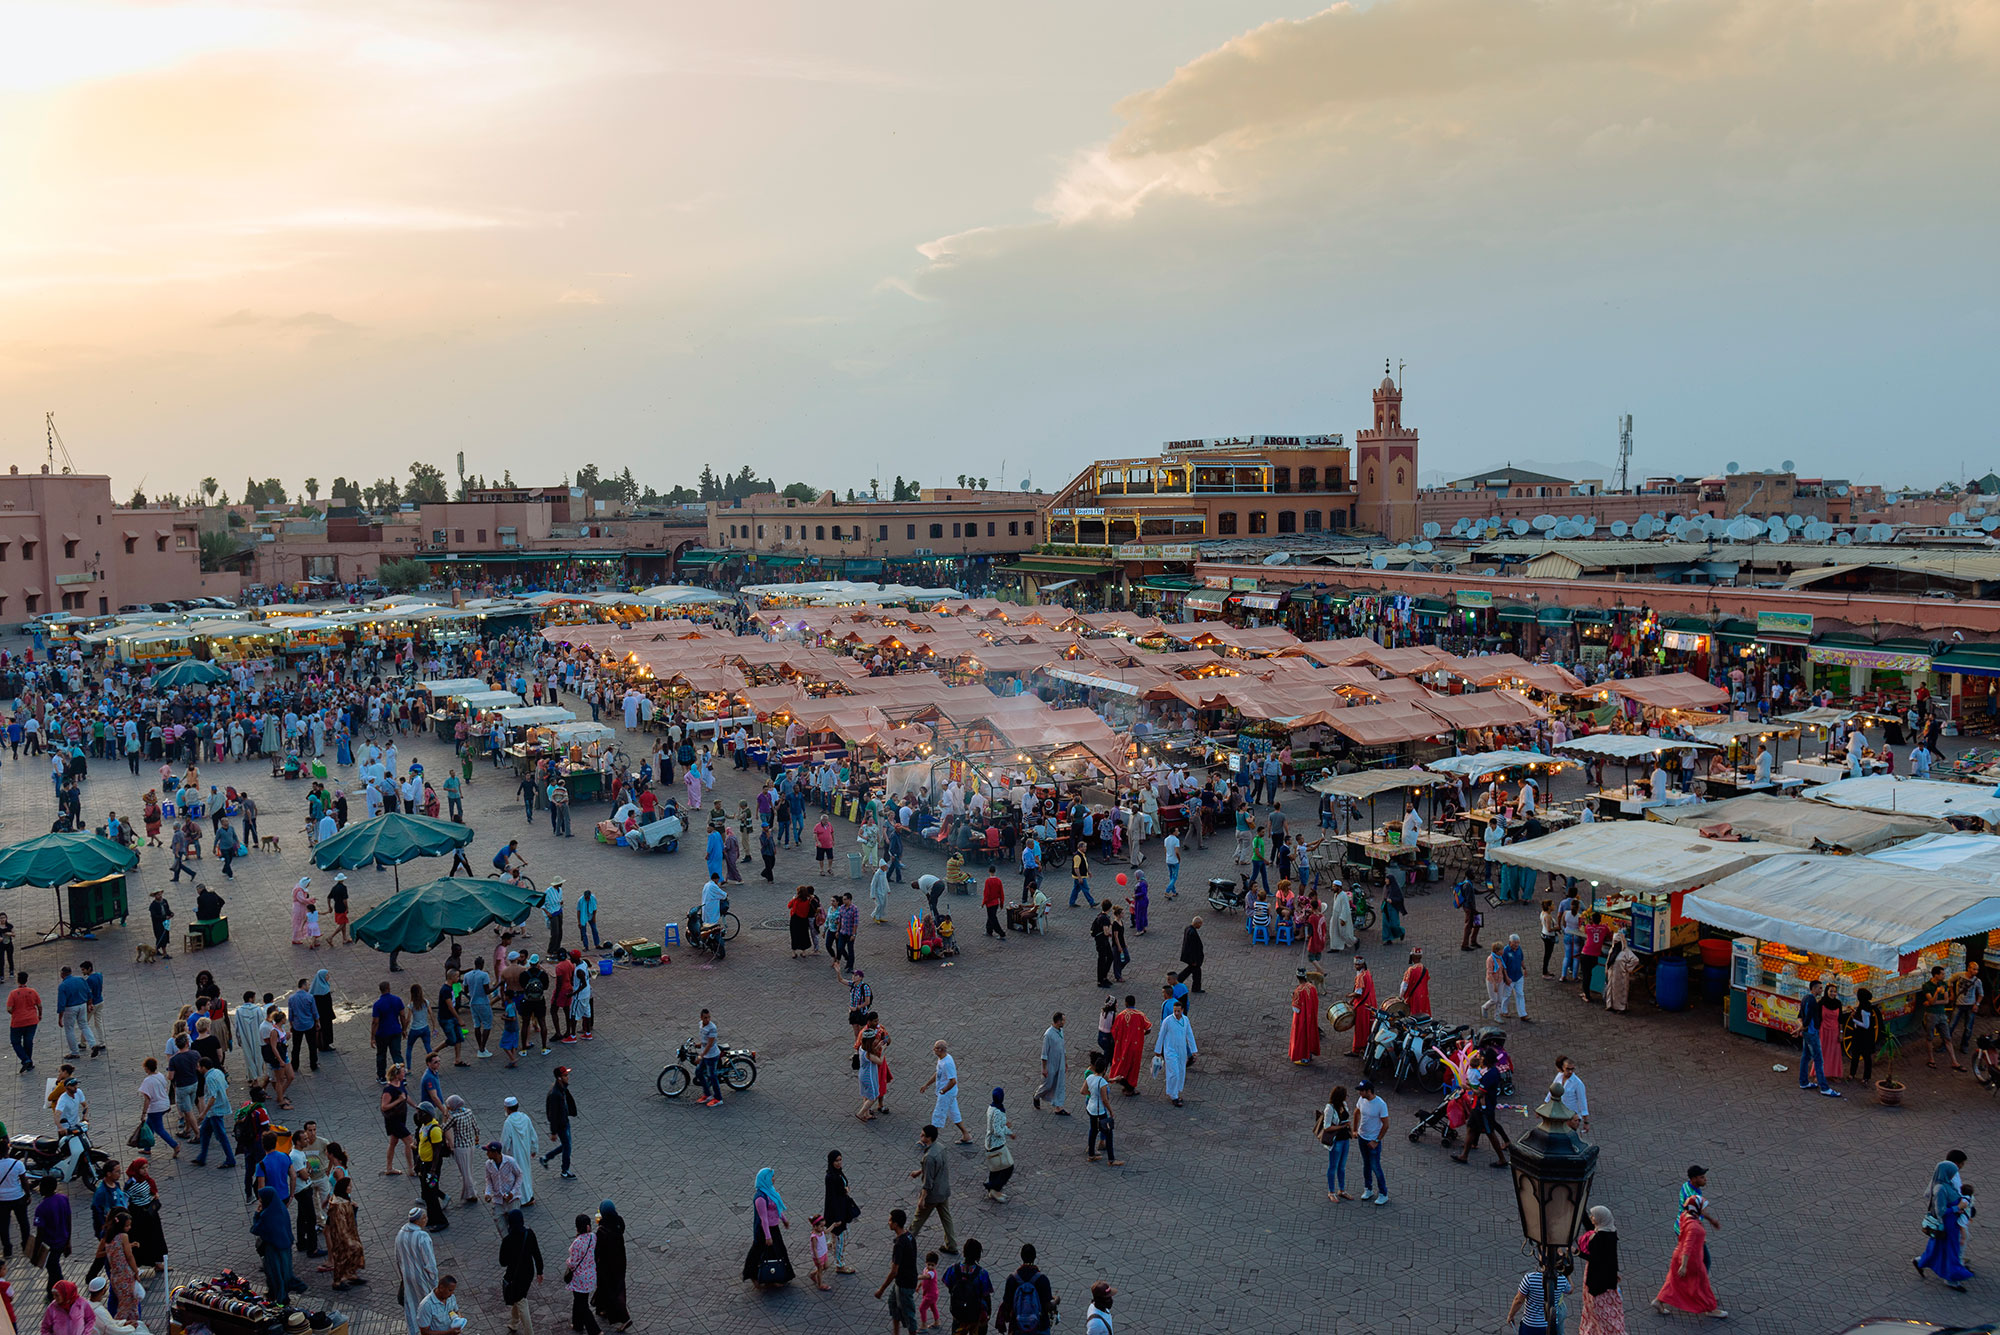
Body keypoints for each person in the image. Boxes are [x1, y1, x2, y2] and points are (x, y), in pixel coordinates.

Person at [1653, 1197, 1724, 1319]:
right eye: (1703, 1206)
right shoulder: (1694, 1227)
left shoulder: (1685, 1216)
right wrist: (1684, 1265)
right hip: (1692, 1260)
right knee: (1703, 1284)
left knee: (1674, 1281)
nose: (1705, 1209)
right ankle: (1710, 1308)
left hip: (1677, 1255)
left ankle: (1658, 1301)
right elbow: (1688, 1246)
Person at [1913, 1151, 1974, 1292]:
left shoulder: (1945, 1184)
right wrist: (1957, 1208)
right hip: (1947, 1224)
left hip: (1950, 1223)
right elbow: (1940, 1211)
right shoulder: (1940, 1188)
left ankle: (1920, 1261)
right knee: (1951, 1250)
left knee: (1938, 1247)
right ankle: (1952, 1279)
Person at [910, 1124, 959, 1255]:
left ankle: (907, 1242)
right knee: (946, 1218)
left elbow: (928, 1182)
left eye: (923, 1135)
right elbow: (935, 1168)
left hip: (932, 1195)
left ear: (929, 1138)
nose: (921, 1136)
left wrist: (922, 1199)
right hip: (943, 1190)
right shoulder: (941, 1148)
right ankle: (952, 1244)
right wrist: (920, 1171)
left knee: (918, 1220)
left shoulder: (929, 1157)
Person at [1576, 1205, 1624, 1335]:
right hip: (1605, 1278)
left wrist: (1577, 1252)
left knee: (1600, 1312)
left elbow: (1595, 1259)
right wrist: (1581, 1211)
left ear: (1600, 1219)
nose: (1592, 1218)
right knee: (1601, 1311)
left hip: (1597, 1282)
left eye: (1594, 1216)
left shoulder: (1600, 1238)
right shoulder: (1609, 1232)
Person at [743, 1168, 794, 1286]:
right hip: (763, 1231)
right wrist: (767, 1236)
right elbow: (763, 1219)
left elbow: (777, 1208)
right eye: (771, 1177)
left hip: (774, 1227)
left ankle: (775, 1276)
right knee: (758, 1252)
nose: (774, 1178)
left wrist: (784, 1220)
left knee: (779, 1250)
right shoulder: (760, 1198)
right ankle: (754, 1275)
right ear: (765, 1179)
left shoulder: (771, 1192)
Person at [252, 1185, 302, 1301]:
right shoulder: (281, 1208)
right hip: (285, 1246)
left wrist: (257, 1214)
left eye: (261, 1199)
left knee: (274, 1273)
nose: (260, 1201)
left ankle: (279, 1298)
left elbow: (256, 1229)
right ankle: (281, 1294)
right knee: (284, 1271)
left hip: (273, 1249)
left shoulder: (267, 1214)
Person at [874, 1209, 920, 1335]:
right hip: (904, 1280)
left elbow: (894, 1271)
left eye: (890, 1220)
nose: (888, 1223)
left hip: (905, 1283)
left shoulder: (899, 1244)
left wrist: (881, 1289)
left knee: (908, 1314)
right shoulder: (909, 1236)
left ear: (895, 1224)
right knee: (893, 1304)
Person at [396, 1207, 441, 1335]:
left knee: (412, 1306)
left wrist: (403, 1277)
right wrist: (434, 1282)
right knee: (427, 1308)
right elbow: (430, 1263)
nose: (426, 1220)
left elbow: (397, 1259)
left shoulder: (400, 1234)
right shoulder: (422, 1236)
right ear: (417, 1221)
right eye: (424, 1218)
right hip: (423, 1278)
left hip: (407, 1277)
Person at [499, 1207, 544, 1332]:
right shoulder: (529, 1234)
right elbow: (537, 1254)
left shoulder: (507, 1240)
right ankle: (514, 1322)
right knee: (518, 1297)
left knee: (521, 1301)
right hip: (528, 1273)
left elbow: (502, 1262)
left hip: (514, 1275)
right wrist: (540, 1271)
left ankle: (529, 1332)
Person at [994, 1243, 1054, 1335]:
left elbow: (1007, 1304)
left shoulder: (1012, 1278)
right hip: (1040, 1327)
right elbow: (1047, 1306)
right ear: (1034, 1257)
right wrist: (1056, 1301)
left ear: (1021, 1256)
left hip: (1018, 1327)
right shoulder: (1042, 1279)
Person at [591, 1201, 630, 1330]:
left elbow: (598, 1250)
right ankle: (601, 1307)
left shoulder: (602, 1230)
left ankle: (624, 1318)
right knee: (612, 1285)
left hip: (607, 1265)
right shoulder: (619, 1221)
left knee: (613, 1290)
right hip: (620, 1261)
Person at [923, 1041, 971, 1144]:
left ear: (941, 1050)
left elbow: (953, 1081)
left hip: (947, 1093)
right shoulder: (941, 1059)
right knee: (954, 1113)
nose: (933, 1050)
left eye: (935, 1048)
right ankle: (966, 1134)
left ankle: (929, 1140)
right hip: (947, 1093)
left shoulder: (947, 1063)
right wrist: (927, 1084)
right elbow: (938, 1073)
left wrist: (943, 1091)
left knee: (938, 1115)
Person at [823, 1150, 863, 1276]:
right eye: (836, 1160)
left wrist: (845, 1190)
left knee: (841, 1237)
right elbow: (832, 1198)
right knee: (842, 1238)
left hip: (842, 1209)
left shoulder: (837, 1173)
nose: (839, 1163)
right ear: (831, 1161)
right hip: (837, 1212)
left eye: (840, 1160)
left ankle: (831, 1245)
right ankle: (840, 1265)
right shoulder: (831, 1177)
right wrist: (837, 1218)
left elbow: (843, 1188)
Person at [323, 1178, 366, 1291]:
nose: (350, 1188)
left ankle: (350, 1273)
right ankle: (338, 1281)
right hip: (342, 1236)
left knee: (356, 1250)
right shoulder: (338, 1205)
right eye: (349, 1186)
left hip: (349, 1233)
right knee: (342, 1256)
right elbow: (340, 1224)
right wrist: (347, 1239)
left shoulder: (344, 1200)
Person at [1505, 1264, 1572, 1335]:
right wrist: (1567, 1274)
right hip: (1551, 1325)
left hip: (1531, 1325)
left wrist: (1511, 1315)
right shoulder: (1562, 1279)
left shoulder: (1530, 1278)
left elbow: (1518, 1300)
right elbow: (1570, 1290)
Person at [1352, 1078, 1389, 1206]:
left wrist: (1377, 1140)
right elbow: (1356, 1112)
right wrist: (1355, 1130)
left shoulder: (1380, 1104)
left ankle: (1383, 1193)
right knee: (1366, 1165)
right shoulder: (1362, 1100)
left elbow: (1386, 1124)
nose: (1359, 1093)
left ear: (1369, 1091)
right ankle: (1368, 1189)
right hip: (1362, 1138)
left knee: (1375, 1166)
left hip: (1373, 1140)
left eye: (1361, 1091)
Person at [1154, 999, 1197, 1106]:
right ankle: (1174, 1096)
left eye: (1178, 1011)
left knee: (1181, 1071)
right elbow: (1161, 1035)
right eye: (1175, 1011)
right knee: (1174, 1073)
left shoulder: (1186, 1020)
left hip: (1182, 1051)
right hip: (1170, 1051)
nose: (1176, 1013)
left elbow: (1189, 1035)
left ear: (1182, 1010)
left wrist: (1193, 1050)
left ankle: (1176, 1092)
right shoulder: (1167, 1021)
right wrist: (1158, 1051)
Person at [1316, 1085, 1353, 1202]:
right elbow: (1326, 1127)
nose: (1347, 1097)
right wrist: (1341, 1126)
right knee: (1333, 1166)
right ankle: (1331, 1191)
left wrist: (1350, 1131)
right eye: (1345, 1095)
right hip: (1336, 1141)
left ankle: (1342, 1190)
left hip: (1345, 1139)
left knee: (1342, 1166)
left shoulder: (1344, 1105)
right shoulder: (1330, 1108)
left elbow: (1346, 1119)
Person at [500, 1096, 539, 1206]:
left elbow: (505, 1142)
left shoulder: (508, 1122)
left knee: (516, 1176)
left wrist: (501, 1155)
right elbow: (533, 1135)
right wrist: (534, 1148)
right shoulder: (525, 1118)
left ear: (507, 1108)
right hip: (525, 1152)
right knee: (525, 1173)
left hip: (514, 1154)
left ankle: (521, 1199)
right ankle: (528, 1196)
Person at [1084, 1052, 1120, 1166]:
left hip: (1091, 1108)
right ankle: (1111, 1159)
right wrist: (1111, 1111)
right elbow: (1105, 1100)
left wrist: (1093, 1094)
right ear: (1104, 1069)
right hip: (1100, 1110)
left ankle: (1091, 1154)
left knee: (1093, 1130)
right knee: (1108, 1133)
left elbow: (1082, 1091)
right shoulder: (1102, 1082)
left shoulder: (1089, 1077)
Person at [984, 1088, 1016, 1202]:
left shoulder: (991, 1107)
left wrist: (1006, 1127)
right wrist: (1008, 1131)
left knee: (996, 1168)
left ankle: (992, 1189)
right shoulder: (997, 1111)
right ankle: (994, 1189)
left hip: (990, 1143)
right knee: (1008, 1167)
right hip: (996, 1144)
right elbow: (997, 1131)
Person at [1033, 1013, 1067, 1115]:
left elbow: (1063, 1048)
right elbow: (1044, 1054)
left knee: (1059, 1084)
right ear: (1058, 1021)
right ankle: (1037, 1096)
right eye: (1063, 1020)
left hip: (1060, 1063)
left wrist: (1065, 1062)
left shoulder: (1061, 1031)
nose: (1064, 1022)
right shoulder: (1048, 1035)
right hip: (1051, 1065)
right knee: (1048, 1084)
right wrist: (1044, 1068)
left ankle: (1058, 1106)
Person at [1288, 968, 1320, 1065]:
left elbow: (1296, 1009)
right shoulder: (1312, 987)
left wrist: (1293, 998)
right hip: (1311, 1016)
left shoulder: (1298, 990)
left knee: (1301, 1037)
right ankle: (1309, 1054)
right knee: (1310, 1034)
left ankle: (1304, 1058)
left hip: (1302, 1019)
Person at [1603, 931, 1638, 1013]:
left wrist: (1626, 967)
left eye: (1616, 942)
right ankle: (1610, 1005)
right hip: (1612, 975)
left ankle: (1621, 1007)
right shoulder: (1612, 949)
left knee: (1620, 992)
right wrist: (1606, 971)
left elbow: (1635, 960)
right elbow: (1608, 961)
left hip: (1621, 976)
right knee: (1611, 990)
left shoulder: (1626, 952)